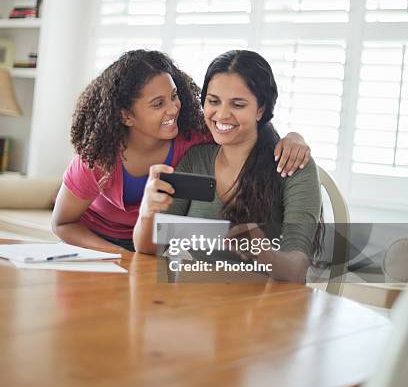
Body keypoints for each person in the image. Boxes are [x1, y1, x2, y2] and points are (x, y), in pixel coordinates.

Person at [133, 49, 322, 387]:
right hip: (191, 315)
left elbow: (295, 269)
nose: (222, 114)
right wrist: (149, 208)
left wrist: (251, 244)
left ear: (263, 108)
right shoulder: (198, 157)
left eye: (238, 104)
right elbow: (148, 248)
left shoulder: (291, 166)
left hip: (259, 329)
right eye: (213, 101)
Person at [52, 49, 311, 254]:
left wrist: (292, 137)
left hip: (150, 243)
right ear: (127, 115)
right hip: (98, 245)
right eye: (158, 104)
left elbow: (244, 125)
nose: (174, 109)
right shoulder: (97, 158)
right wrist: (118, 253)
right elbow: (62, 224)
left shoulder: (192, 137)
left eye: (174, 96)